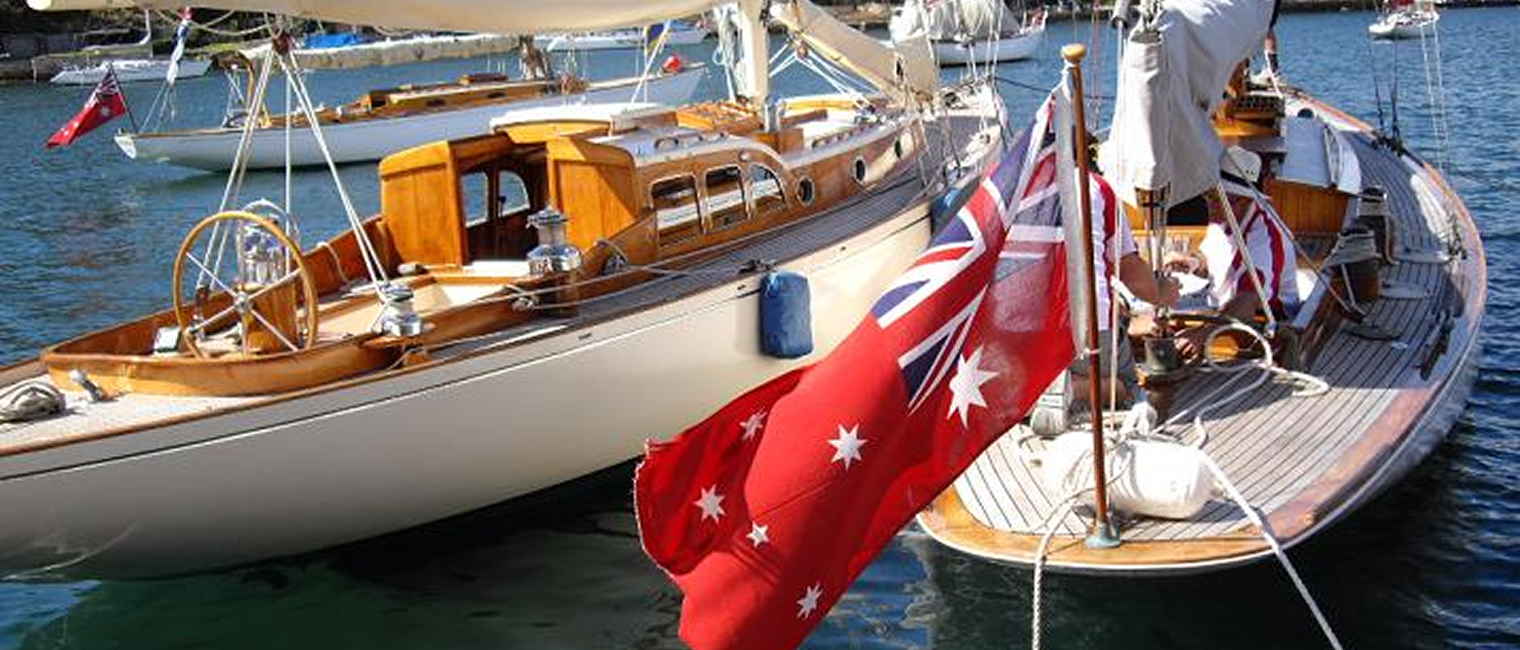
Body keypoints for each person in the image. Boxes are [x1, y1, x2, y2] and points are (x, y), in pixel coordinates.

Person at [1165, 146, 1300, 357]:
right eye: (1208, 196)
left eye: (1218, 199)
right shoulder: (1224, 216)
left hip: (1260, 336)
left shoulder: (1267, 238)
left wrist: (1204, 334)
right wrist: (1191, 262)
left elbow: (1248, 299)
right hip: (1221, 316)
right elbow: (1210, 258)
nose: (1210, 205)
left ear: (1246, 200)